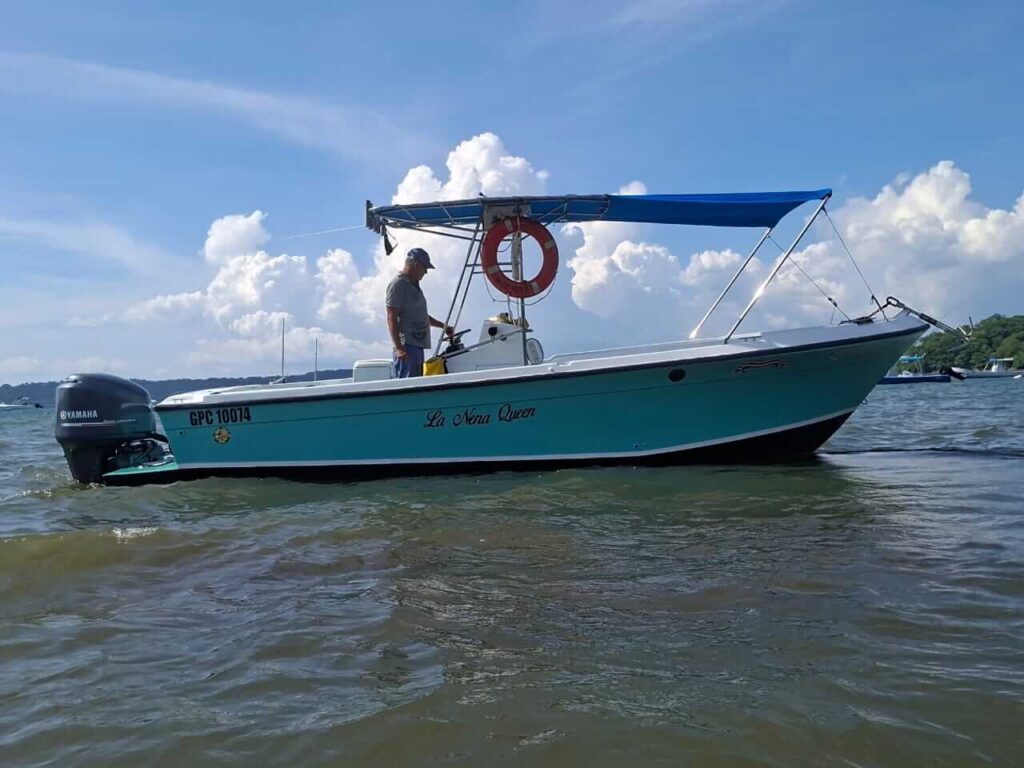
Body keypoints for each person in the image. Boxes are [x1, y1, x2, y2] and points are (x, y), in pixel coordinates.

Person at [385, 248, 454, 378]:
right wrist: (399, 347)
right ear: (416, 265)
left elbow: (420, 315)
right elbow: (391, 317)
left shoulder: (414, 285)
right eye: (425, 268)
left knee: (417, 380)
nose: (426, 272)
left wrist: (443, 326)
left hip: (417, 345)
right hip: (407, 344)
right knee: (408, 385)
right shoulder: (398, 284)